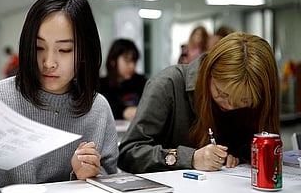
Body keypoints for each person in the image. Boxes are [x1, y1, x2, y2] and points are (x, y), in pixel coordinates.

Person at [0, 0, 119, 193]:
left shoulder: (97, 109)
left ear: (84, 52)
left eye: (64, 50)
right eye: (38, 48)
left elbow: (111, 184)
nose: (49, 63)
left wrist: (87, 175)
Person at [118, 32, 279, 173]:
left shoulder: (254, 96)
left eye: (243, 101)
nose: (229, 105)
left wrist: (235, 158)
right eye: (221, 93)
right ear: (208, 72)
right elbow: (129, 154)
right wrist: (191, 158)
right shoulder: (167, 85)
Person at [99, 38, 147, 121]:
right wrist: (124, 112)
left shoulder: (141, 82)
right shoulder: (101, 85)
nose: (132, 66)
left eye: (134, 61)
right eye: (127, 61)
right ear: (113, 60)